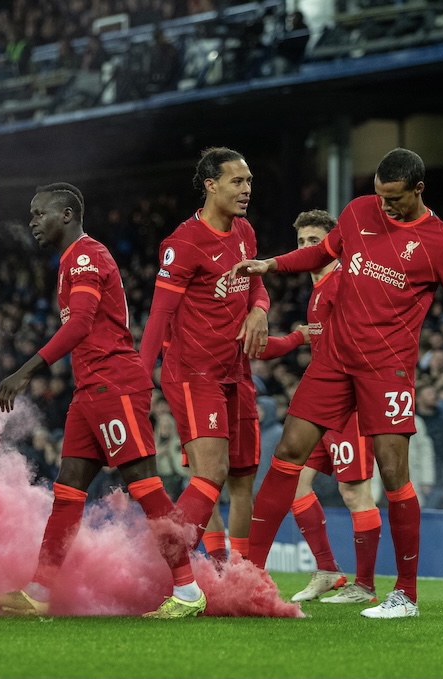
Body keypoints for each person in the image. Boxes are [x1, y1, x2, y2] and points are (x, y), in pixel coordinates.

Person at [232, 148, 443, 618]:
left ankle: (406, 595)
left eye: (393, 199)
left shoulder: (441, 244)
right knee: (288, 452)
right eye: (379, 196)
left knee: (394, 477)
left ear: (418, 189)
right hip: (333, 361)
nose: (385, 206)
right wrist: (272, 264)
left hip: (386, 370)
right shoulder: (358, 212)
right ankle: (248, 578)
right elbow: (322, 252)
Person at [0, 182, 205, 619]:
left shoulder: (86, 256)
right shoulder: (70, 261)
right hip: (90, 391)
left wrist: (25, 371)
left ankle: (189, 590)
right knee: (67, 491)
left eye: (38, 212)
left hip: (113, 384)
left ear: (65, 214)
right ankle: (39, 592)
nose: (32, 221)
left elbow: (81, 323)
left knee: (146, 486)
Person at [140, 147, 270, 572]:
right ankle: (164, 566)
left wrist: (259, 310)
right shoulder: (183, 244)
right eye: (237, 181)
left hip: (236, 370)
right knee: (210, 474)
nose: (246, 189)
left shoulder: (245, 233)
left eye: (249, 181)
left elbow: (256, 288)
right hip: (194, 373)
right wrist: (141, 380)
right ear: (211, 186)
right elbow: (159, 316)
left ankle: (225, 572)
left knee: (235, 476)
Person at [256, 209, 384, 605]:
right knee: (297, 483)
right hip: (321, 405)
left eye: (315, 241)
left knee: (353, 493)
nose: (307, 248)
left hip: (350, 404)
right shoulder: (318, 290)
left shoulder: (346, 281)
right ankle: (328, 570)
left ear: (334, 244)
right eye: (302, 242)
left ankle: (365, 585)